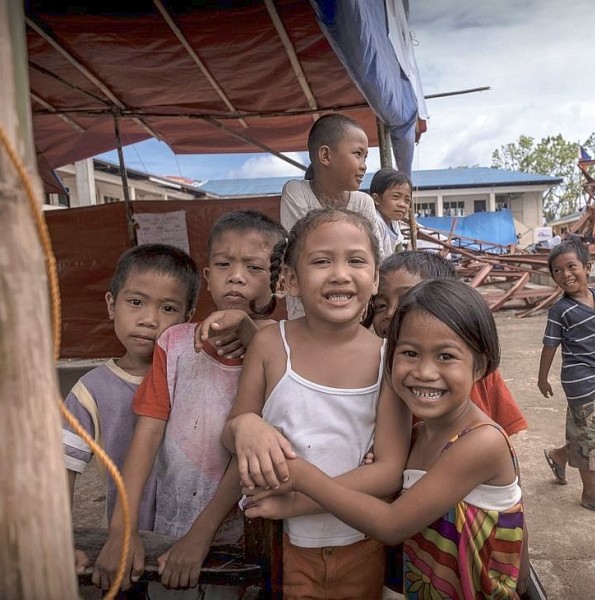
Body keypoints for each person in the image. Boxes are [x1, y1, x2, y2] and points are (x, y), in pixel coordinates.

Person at [245, 279, 526, 598]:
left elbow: (392, 525)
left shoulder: (481, 442)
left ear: (481, 365)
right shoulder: (418, 436)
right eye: (409, 353)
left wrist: (300, 477)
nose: (424, 371)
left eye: (445, 356)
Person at [92, 211, 287, 595]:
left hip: (243, 540)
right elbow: (147, 436)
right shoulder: (175, 344)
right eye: (223, 263)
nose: (236, 275)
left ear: (280, 282)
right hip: (169, 529)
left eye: (254, 266)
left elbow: (249, 453)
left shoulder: (284, 351)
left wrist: (201, 536)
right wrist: (123, 529)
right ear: (207, 276)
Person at [222, 208, 410, 599]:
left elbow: (390, 471)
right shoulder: (271, 345)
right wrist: (245, 425)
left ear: (374, 278)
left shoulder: (389, 359)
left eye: (356, 260)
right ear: (289, 280)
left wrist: (296, 504)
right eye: (322, 261)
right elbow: (231, 435)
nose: (340, 274)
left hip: (361, 543)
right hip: (280, 548)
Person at [63, 243, 199, 577]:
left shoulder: (200, 380)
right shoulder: (92, 390)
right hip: (124, 545)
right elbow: (59, 471)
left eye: (168, 308)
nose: (149, 320)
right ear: (112, 304)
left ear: (187, 319)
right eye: (135, 302)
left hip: (196, 543)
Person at [369, 250, 528, 437]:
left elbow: (505, 431)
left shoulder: (480, 374)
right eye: (380, 305)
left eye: (406, 300)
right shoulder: (378, 373)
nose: (390, 313)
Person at [538, 240, 595, 518]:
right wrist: (542, 379)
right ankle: (590, 493)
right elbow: (549, 346)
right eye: (557, 271)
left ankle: (559, 455)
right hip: (580, 382)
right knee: (592, 437)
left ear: (587, 268)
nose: (565, 274)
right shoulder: (560, 311)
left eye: (571, 267)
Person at [280, 113, 386, 319]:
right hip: (306, 316)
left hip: (354, 315)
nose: (364, 165)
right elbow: (302, 249)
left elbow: (375, 257)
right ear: (326, 156)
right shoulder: (296, 192)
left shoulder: (364, 202)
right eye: (357, 154)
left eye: (365, 157)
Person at [369, 167, 412, 257]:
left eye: (407, 200)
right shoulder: (375, 222)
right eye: (396, 197)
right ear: (376, 199)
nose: (402, 204)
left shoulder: (393, 221)